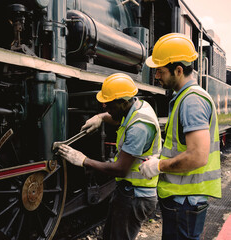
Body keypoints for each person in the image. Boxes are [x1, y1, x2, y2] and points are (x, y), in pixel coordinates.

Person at [57, 73, 162, 240]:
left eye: (109, 103)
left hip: (136, 196)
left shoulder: (139, 127)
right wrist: (100, 118)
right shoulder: (137, 107)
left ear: (124, 102)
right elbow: (119, 118)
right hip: (128, 192)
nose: (104, 106)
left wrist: (83, 160)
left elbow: (120, 169)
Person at [139, 33, 221, 240]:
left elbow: (198, 156)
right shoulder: (186, 98)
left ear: (178, 70)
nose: (157, 76)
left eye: (160, 70)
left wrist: (158, 166)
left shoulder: (192, 101)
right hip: (184, 200)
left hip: (184, 201)